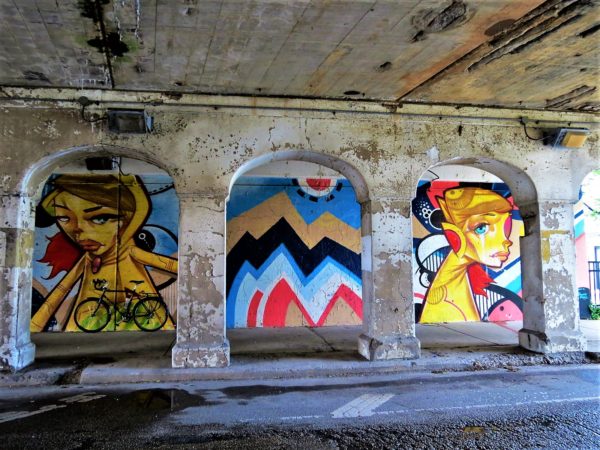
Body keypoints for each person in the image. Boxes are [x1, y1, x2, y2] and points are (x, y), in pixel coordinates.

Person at [30, 174, 178, 332]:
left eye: (101, 218)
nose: (78, 230)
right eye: (64, 218)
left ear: (130, 219)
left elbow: (170, 265)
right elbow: (59, 292)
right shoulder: (88, 259)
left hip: (144, 315)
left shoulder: (130, 252)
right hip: (89, 316)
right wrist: (35, 325)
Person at [419, 187, 513, 323]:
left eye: (505, 225)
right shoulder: (447, 305)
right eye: (481, 228)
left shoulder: (453, 288)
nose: (507, 241)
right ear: (454, 236)